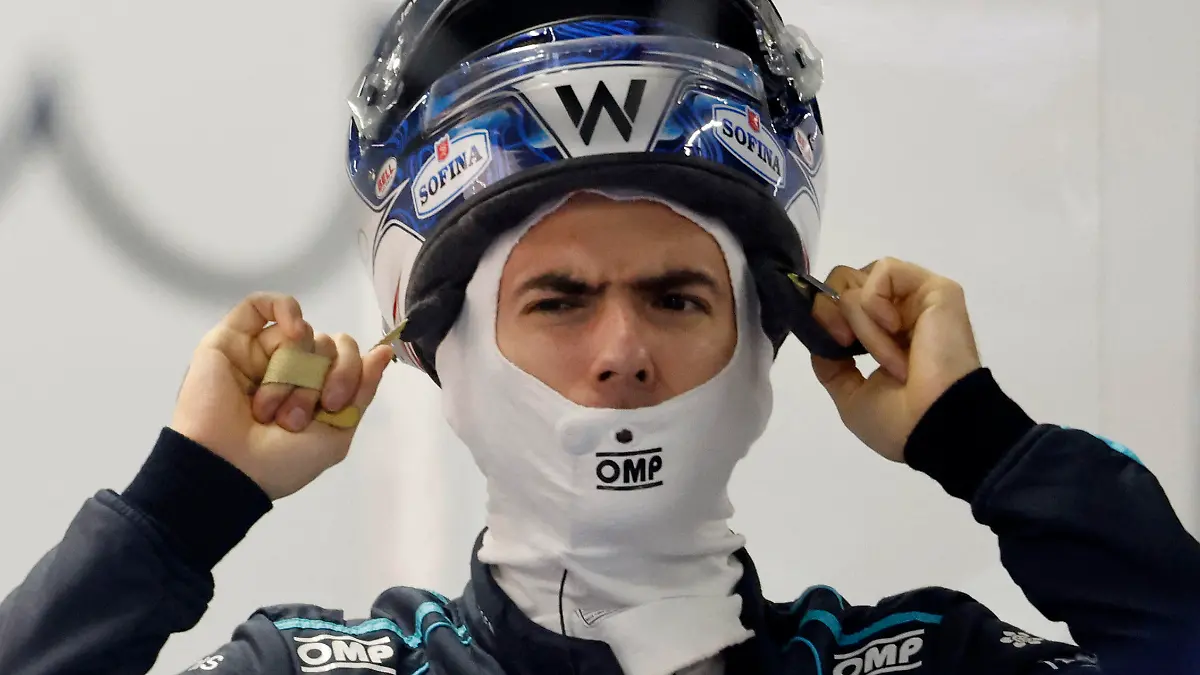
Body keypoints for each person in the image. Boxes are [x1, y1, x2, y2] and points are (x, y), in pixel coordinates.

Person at [1, 1, 1198, 674]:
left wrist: (986, 443)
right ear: (437, 351)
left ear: (772, 334)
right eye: (558, 301)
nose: (622, 350)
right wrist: (183, 505)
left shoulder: (922, 663)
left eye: (677, 297)